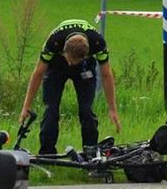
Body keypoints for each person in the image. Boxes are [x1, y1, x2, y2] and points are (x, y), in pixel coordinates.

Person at [20, 19, 121, 155]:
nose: (71, 65)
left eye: (73, 62)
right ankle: (47, 152)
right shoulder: (54, 41)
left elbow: (107, 75)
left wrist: (112, 109)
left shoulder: (97, 42)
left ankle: (90, 151)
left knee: (86, 109)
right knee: (51, 109)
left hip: (84, 67)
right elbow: (38, 73)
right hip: (57, 64)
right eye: (69, 61)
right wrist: (26, 106)